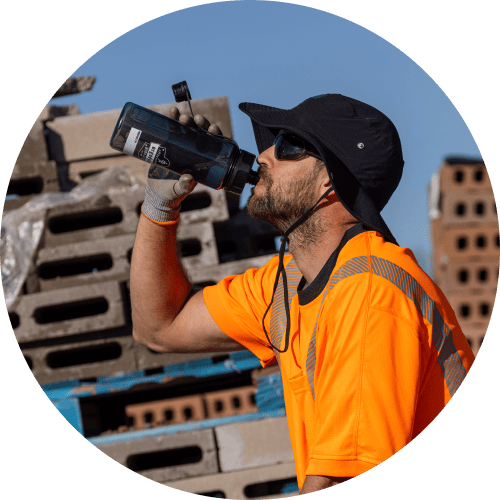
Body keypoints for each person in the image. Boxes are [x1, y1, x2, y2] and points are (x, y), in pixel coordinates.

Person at [130, 94, 475, 494]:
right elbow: (160, 326)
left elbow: (338, 479)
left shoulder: (371, 293)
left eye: (288, 146)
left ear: (331, 180)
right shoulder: (287, 286)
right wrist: (159, 204)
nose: (262, 155)